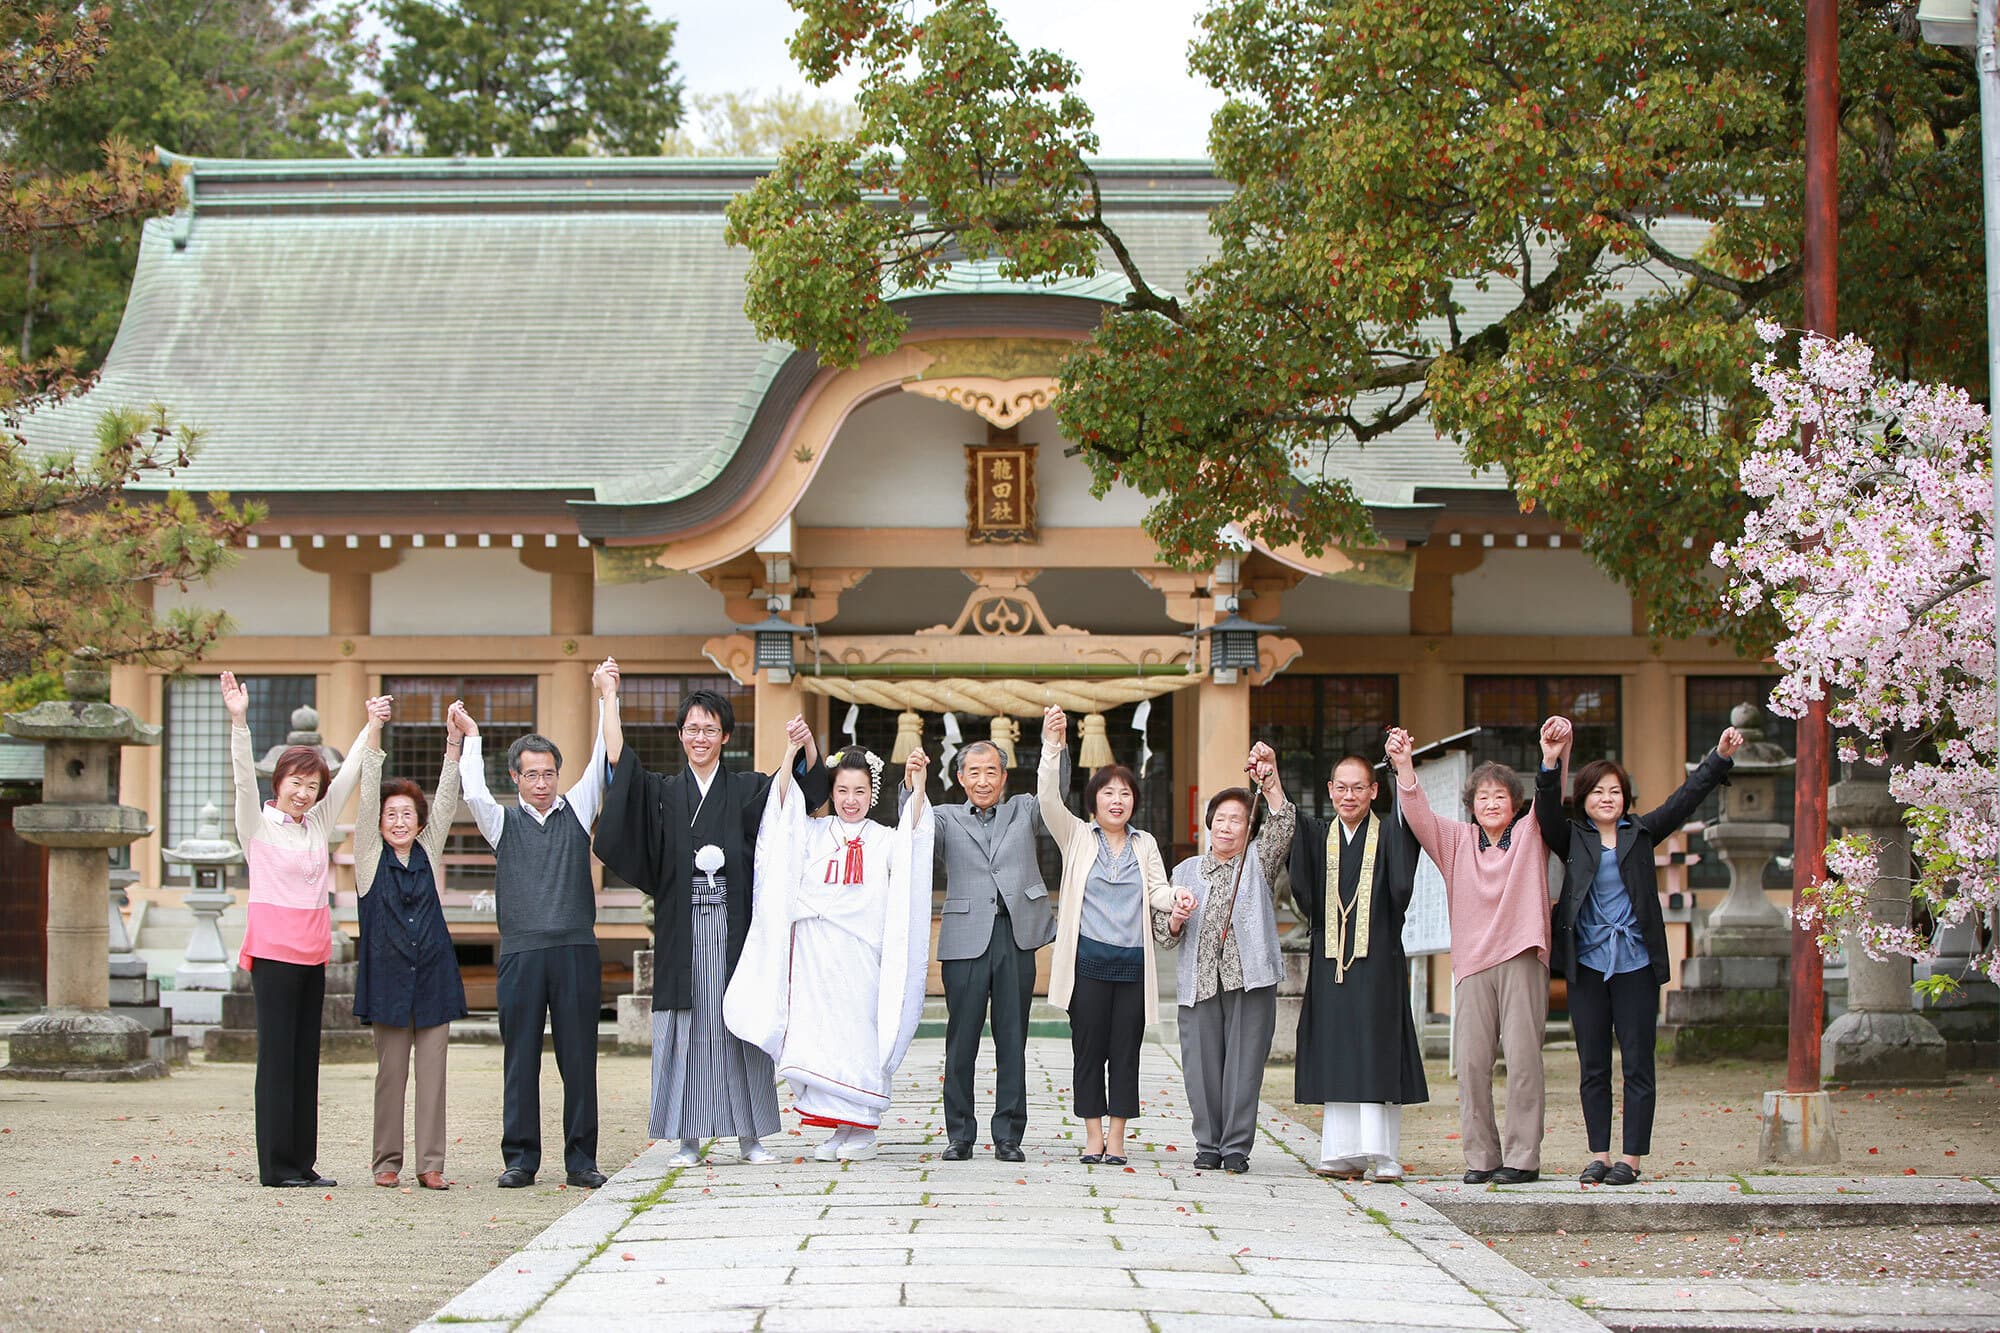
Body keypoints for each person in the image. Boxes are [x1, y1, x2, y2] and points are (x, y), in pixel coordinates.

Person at [593, 680, 831, 1168]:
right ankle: (688, 1136)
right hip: (684, 931)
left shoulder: (745, 788)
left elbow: (799, 795)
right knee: (689, 1027)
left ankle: (750, 1135)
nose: (700, 736)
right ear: (680, 735)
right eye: (692, 728)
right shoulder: (662, 793)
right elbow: (621, 766)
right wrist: (608, 698)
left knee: (741, 1023)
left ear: (726, 736)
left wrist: (803, 745)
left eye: (711, 729)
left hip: (737, 929)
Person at [1537, 715, 1743, 1186]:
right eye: (1596, 792)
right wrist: (1550, 761)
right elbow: (1546, 812)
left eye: (1614, 791)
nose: (1605, 798)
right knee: (1593, 1064)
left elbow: (1684, 800)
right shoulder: (1573, 837)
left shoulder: (1642, 833)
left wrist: (1719, 758)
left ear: (1625, 798)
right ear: (1583, 800)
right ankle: (1599, 1154)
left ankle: (1630, 1158)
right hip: (1586, 963)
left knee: (1637, 1063)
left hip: (1635, 963)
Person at [725, 742, 934, 1162]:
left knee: (859, 1036)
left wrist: (918, 787)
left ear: (871, 795)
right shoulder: (814, 832)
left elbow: (914, 841)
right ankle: (840, 1127)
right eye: (842, 791)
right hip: (815, 953)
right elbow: (780, 820)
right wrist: (788, 757)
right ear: (832, 792)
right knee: (824, 1038)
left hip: (860, 952)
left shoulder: (883, 839)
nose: (850, 801)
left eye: (859, 792)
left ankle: (862, 1129)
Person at [454, 662, 615, 1190]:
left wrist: (604, 695)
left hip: (574, 949)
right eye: (532, 774)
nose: (542, 782)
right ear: (516, 778)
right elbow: (473, 793)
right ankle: (521, 1158)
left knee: (578, 1059)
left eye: (549, 773)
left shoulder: (578, 807)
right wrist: (472, 739)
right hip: (521, 953)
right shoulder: (503, 823)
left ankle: (581, 1160)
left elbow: (600, 759)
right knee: (520, 1058)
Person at [221, 670, 373, 1189]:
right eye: (296, 784)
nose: (305, 794)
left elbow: (350, 773)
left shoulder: (317, 826)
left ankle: (302, 1163)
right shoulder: (257, 825)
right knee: (277, 1059)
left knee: (306, 1060)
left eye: (312, 786)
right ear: (278, 784)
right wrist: (239, 721)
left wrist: (369, 726)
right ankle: (276, 1166)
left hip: (312, 954)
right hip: (272, 954)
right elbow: (242, 778)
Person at [1386, 725, 1552, 1186]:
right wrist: (1403, 765)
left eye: (1501, 796)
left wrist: (1553, 756)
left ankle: (1523, 1158)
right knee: (1473, 1065)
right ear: (1471, 805)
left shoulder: (1530, 834)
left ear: (1515, 804)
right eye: (1483, 797)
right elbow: (1419, 816)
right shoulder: (1457, 842)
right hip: (1473, 963)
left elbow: (1550, 797)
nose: (1492, 803)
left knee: (1523, 1061)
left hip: (1521, 957)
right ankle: (1481, 1157)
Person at [909, 728, 1070, 1164]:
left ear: (1004, 778)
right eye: (974, 772)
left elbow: (1058, 793)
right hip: (964, 938)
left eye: (991, 772)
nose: (983, 780)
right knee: (960, 1041)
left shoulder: (1025, 810)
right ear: (960, 777)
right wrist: (915, 787)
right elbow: (914, 830)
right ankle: (959, 1134)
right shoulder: (943, 816)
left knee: (1012, 1038)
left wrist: (1055, 745)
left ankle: (1008, 1135)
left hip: (1016, 935)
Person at [1038, 706, 1176, 1166]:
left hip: (1133, 968)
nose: (1117, 801)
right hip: (1088, 966)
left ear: (1133, 802)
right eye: (1108, 794)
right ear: (1094, 801)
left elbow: (1157, 889)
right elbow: (1046, 802)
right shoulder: (1076, 836)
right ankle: (1092, 1136)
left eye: (1125, 794)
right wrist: (1051, 746)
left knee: (1125, 1054)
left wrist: (1178, 900)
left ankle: (1117, 1140)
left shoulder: (1145, 844)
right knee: (1088, 1052)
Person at [1286, 745, 1428, 1181]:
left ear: (1372, 792)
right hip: (1332, 964)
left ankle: (1382, 1154)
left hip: (1378, 962)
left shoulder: (1389, 835)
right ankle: (1341, 1152)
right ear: (1330, 790)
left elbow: (1405, 872)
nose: (1349, 795)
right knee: (1338, 1050)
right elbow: (1287, 830)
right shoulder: (1318, 835)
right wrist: (1271, 781)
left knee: (1376, 1050)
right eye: (1341, 787)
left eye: (1358, 788)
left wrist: (1403, 766)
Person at [1154, 742, 1295, 1174]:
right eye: (1221, 819)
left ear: (1248, 828)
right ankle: (1207, 1143)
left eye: (1237, 819)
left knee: (1244, 1065)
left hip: (1249, 978)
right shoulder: (1184, 871)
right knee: (1199, 1066)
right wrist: (1176, 919)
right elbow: (1164, 935)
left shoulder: (1258, 860)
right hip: (1200, 980)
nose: (1228, 826)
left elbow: (1284, 825)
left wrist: (1268, 778)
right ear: (1209, 823)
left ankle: (1235, 1146)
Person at [353, 695, 470, 1191]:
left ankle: (431, 1163)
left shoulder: (428, 848)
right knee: (390, 1076)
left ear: (419, 824)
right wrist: (375, 728)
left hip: (435, 976)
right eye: (391, 814)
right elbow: (364, 795)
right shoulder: (366, 858)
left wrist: (453, 740)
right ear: (380, 823)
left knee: (434, 1076)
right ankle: (386, 1161)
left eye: (407, 814)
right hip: (387, 981)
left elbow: (446, 795)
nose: (399, 821)